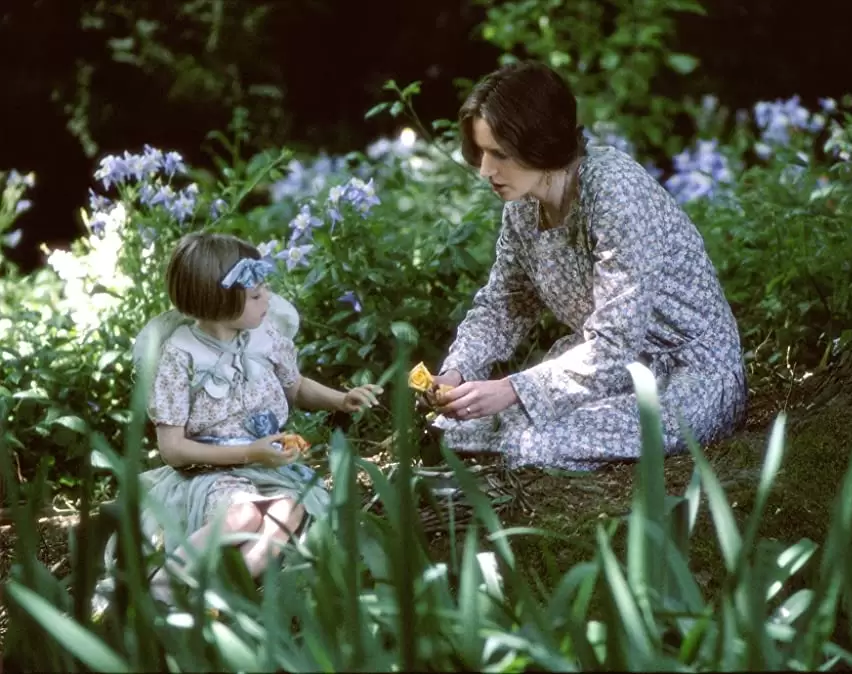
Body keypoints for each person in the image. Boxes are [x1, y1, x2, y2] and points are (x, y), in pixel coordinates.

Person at [431, 61, 747, 471]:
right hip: (608, 369)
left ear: (540, 144)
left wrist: (512, 389)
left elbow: (615, 344)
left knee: (534, 444)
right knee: (453, 429)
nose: (486, 171)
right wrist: (456, 372)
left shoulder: (614, 192)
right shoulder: (523, 208)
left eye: (499, 154)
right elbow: (505, 305)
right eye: (481, 152)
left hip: (689, 376)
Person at [108, 232, 381, 603]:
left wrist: (340, 399)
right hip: (212, 472)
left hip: (269, 467)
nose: (267, 298)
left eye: (264, 288)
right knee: (242, 516)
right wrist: (251, 453)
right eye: (255, 295)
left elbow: (295, 386)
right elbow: (172, 449)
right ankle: (161, 590)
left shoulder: (264, 336)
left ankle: (219, 593)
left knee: (289, 509)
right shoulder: (180, 356)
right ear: (218, 302)